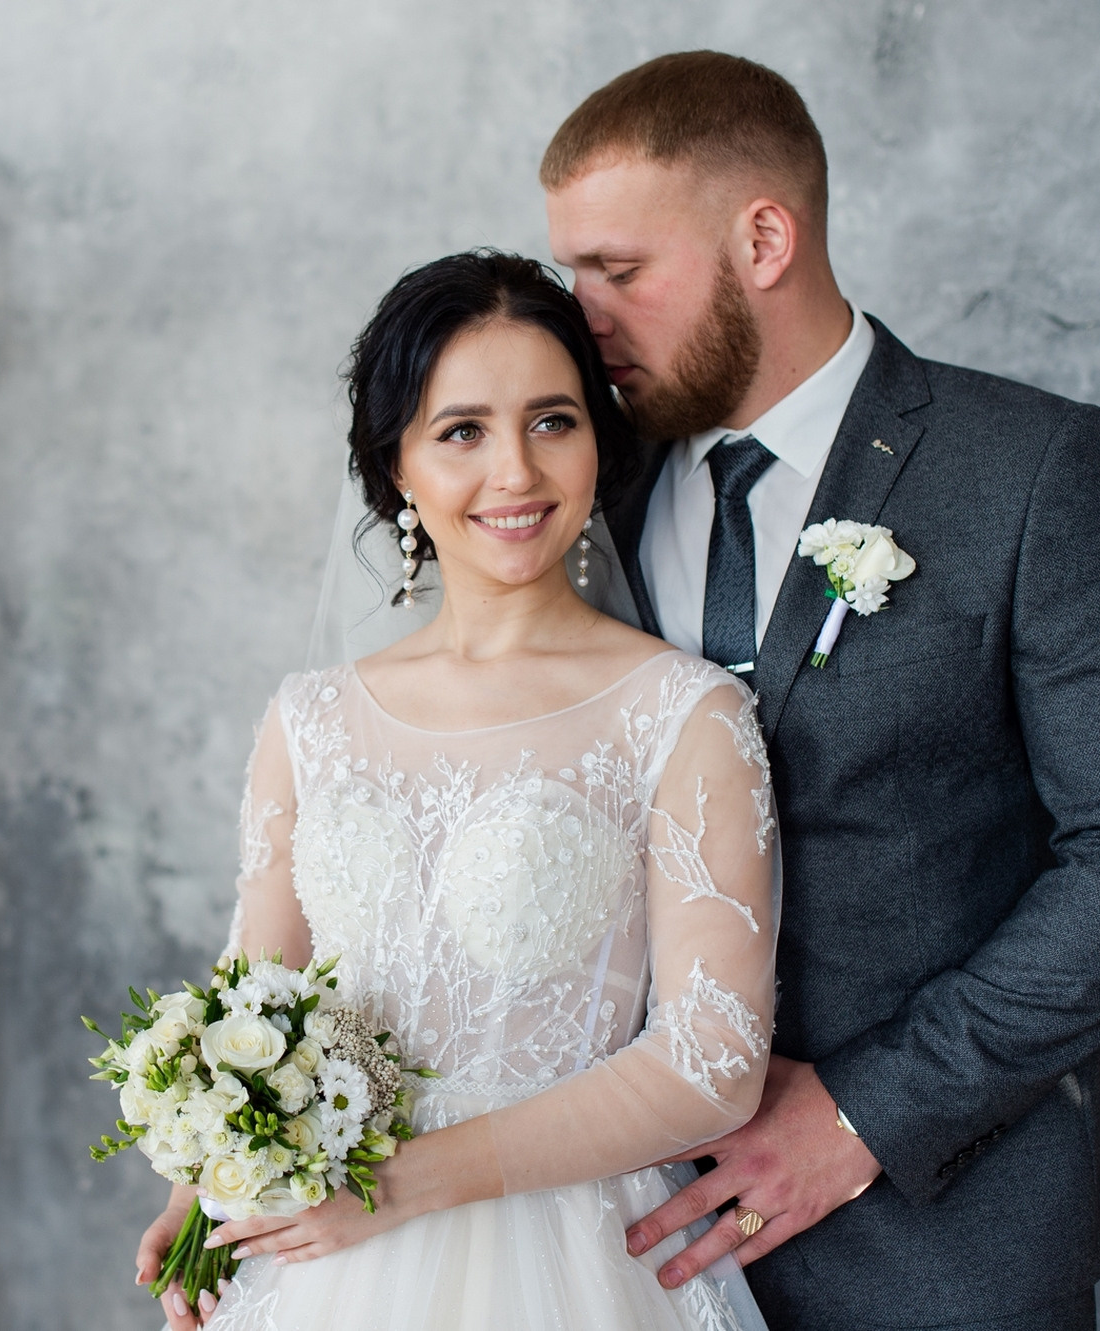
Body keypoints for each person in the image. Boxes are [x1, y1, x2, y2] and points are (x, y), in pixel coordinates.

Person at [540, 52, 1100, 1331]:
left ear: (762, 238)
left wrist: (864, 1110)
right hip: (623, 1239)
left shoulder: (1033, 468)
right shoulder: (578, 483)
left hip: (942, 1234)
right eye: (571, 271)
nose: (579, 316)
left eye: (618, 272)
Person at [135, 250, 783, 1331]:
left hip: (573, 1260)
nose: (515, 474)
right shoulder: (310, 720)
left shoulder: (681, 713)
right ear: (395, 465)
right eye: (461, 431)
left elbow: (711, 1061)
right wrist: (197, 1192)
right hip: (318, 1266)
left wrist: (390, 1188)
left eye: (552, 420)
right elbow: (257, 998)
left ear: (595, 439)